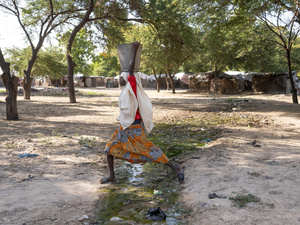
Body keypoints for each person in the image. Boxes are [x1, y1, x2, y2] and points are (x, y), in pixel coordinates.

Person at [100, 41, 185, 184]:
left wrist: (133, 51)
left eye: (123, 76)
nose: (120, 78)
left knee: (150, 151)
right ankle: (112, 175)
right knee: (109, 149)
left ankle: (176, 168)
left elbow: (131, 70)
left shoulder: (131, 85)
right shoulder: (126, 90)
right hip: (125, 127)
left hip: (134, 128)